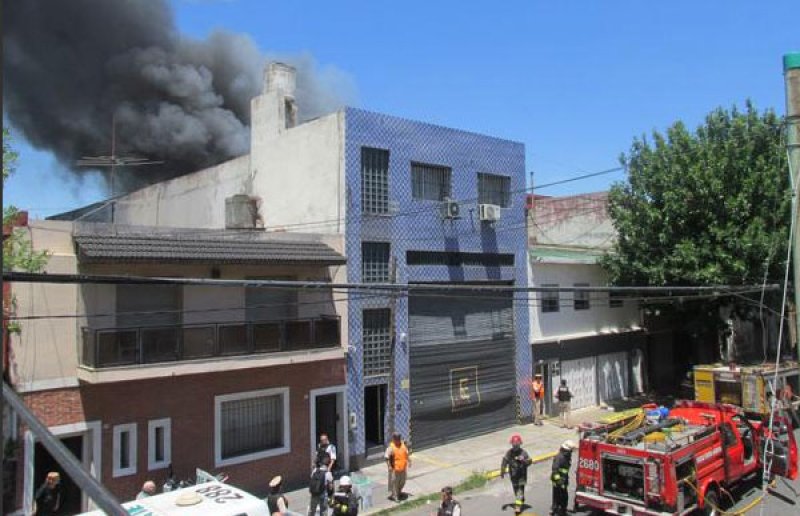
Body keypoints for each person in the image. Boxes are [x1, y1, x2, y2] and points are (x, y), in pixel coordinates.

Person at [500, 433, 532, 514]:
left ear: (519, 444)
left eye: (516, 445)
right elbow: (505, 461)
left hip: (522, 476)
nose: (515, 447)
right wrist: (502, 470)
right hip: (513, 475)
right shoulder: (509, 453)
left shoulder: (523, 453)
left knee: (520, 491)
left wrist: (523, 461)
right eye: (513, 445)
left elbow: (529, 462)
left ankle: (518, 507)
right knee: (516, 490)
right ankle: (520, 500)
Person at [550, 440, 577, 516]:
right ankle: (558, 511)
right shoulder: (560, 457)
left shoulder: (566, 456)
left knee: (560, 496)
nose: (571, 452)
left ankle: (558, 510)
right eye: (571, 450)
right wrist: (559, 480)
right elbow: (555, 470)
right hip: (559, 481)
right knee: (560, 497)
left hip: (563, 480)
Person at [385, 431, 411, 502]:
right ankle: (395, 496)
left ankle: (398, 492)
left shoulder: (403, 445)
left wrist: (409, 461)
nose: (398, 440)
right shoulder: (391, 447)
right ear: (393, 439)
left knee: (402, 482)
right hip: (395, 469)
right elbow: (387, 458)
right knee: (395, 483)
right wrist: (389, 466)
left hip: (403, 468)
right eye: (397, 439)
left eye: (399, 438)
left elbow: (406, 454)